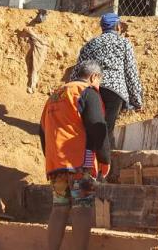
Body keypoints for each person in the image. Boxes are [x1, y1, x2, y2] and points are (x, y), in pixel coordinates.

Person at [39, 60, 111, 250]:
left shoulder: (54, 95)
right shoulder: (87, 91)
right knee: (82, 208)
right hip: (81, 165)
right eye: (99, 82)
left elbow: (42, 131)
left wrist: (52, 159)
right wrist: (105, 160)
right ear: (94, 77)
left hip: (56, 165)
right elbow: (98, 127)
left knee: (59, 208)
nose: (98, 87)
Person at [77, 13, 143, 147]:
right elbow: (131, 73)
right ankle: (106, 163)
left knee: (91, 128)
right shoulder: (124, 43)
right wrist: (137, 100)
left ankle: (89, 161)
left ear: (102, 27)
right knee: (106, 130)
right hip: (115, 92)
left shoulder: (90, 45)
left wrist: (75, 93)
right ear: (118, 26)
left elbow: (79, 70)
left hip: (92, 88)